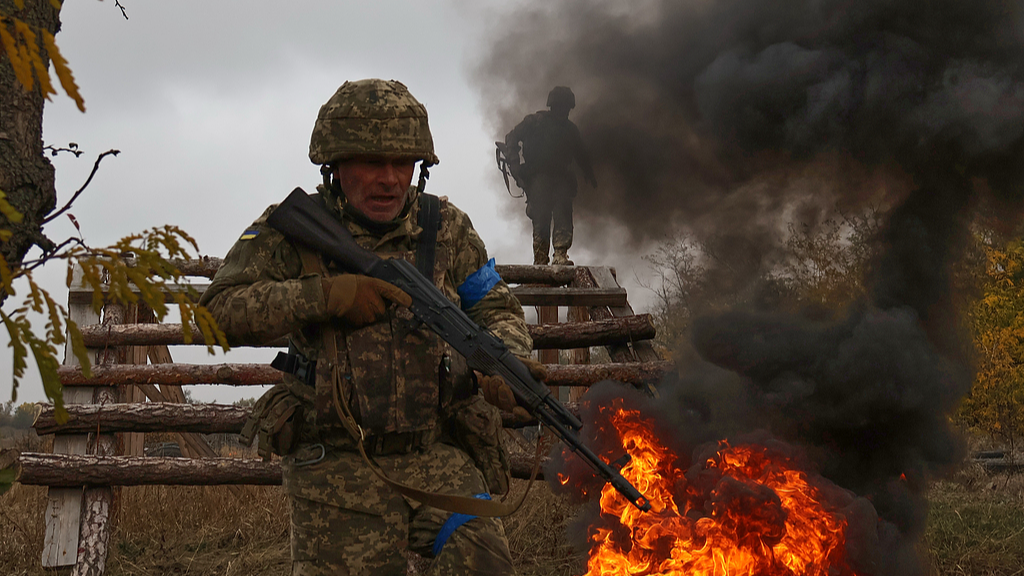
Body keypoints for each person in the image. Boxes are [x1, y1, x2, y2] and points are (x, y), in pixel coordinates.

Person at [200, 79, 543, 576]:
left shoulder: (446, 227)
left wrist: (501, 361)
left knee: (487, 564)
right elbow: (216, 312)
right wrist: (324, 297)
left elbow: (493, 305)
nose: (388, 179)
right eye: (371, 162)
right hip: (336, 469)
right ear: (334, 166)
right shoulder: (292, 229)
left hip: (437, 453)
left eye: (401, 163)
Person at [503, 86, 597, 266]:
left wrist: (588, 173)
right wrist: (515, 165)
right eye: (562, 107)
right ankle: (540, 259)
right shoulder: (534, 122)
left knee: (563, 217)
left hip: (561, 178)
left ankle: (560, 255)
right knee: (541, 218)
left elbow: (580, 153)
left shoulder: (570, 129)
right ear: (553, 106)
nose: (565, 111)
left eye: (567, 108)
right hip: (538, 177)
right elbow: (512, 138)